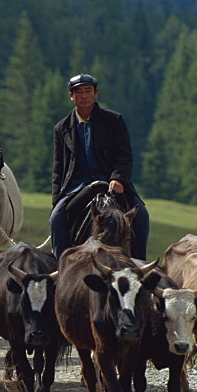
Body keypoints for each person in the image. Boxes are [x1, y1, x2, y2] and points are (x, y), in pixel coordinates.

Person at [49, 73, 149, 260]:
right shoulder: (61, 128)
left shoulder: (114, 120)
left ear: (96, 94)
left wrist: (118, 177)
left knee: (141, 215)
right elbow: (58, 168)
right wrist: (57, 200)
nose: (84, 96)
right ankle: (59, 266)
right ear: (71, 96)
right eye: (78, 92)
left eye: (88, 91)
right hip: (76, 186)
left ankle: (140, 264)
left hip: (110, 180)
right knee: (56, 219)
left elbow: (124, 155)